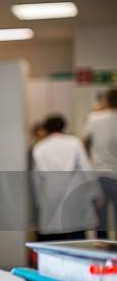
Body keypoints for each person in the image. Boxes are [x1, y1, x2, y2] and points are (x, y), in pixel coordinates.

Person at [32, 114, 98, 241]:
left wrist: (39, 201)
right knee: (78, 236)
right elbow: (87, 169)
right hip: (75, 194)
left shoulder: (39, 147)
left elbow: (37, 179)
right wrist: (95, 193)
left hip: (51, 195)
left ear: (46, 128)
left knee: (55, 238)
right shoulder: (74, 142)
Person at [84, 88, 117, 239]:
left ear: (106, 100)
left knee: (101, 222)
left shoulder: (94, 118)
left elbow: (84, 143)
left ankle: (101, 257)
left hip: (99, 176)